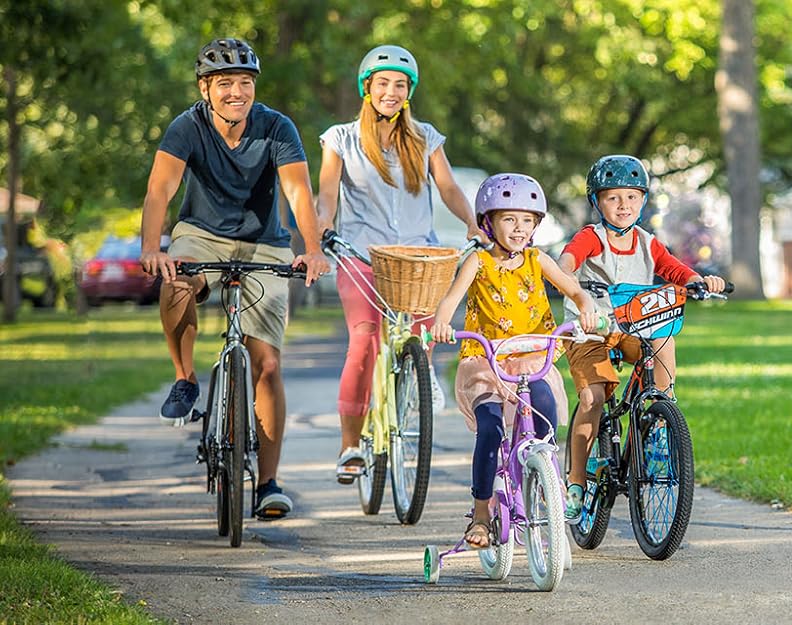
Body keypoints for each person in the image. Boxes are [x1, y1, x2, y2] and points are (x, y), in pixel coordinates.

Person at [138, 38, 330, 520]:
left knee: (266, 363)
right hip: (199, 235)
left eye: (244, 83)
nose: (236, 92)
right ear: (206, 88)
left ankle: (268, 482)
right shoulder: (187, 126)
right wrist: (150, 247)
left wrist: (311, 248)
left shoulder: (276, 127)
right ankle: (185, 380)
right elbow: (160, 189)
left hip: (263, 241)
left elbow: (298, 191)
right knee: (178, 283)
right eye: (225, 83)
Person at [316, 44, 480, 484]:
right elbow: (327, 193)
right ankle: (350, 445)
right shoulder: (341, 139)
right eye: (383, 83)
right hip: (361, 256)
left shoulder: (424, 136)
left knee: (422, 333)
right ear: (367, 87)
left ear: (409, 92)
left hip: (415, 257)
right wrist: (324, 228)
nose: (392, 91)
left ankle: (415, 384)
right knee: (365, 340)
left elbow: (446, 187)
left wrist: (471, 223)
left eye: (401, 85)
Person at [429, 173, 597, 548]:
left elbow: (574, 290)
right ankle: (482, 514)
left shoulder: (539, 260)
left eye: (527, 220)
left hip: (533, 357)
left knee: (545, 416)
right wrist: (441, 323)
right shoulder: (478, 262)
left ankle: (539, 484)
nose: (519, 229)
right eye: (509, 219)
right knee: (489, 429)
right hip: (487, 364)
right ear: (488, 222)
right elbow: (451, 299)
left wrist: (586, 308)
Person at [557, 154, 725, 519]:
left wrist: (700, 282)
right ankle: (575, 481)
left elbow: (673, 269)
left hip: (633, 327)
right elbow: (566, 263)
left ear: (643, 201)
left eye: (632, 197)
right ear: (597, 202)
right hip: (591, 332)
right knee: (592, 397)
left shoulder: (647, 242)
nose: (623, 205)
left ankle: (660, 416)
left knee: (665, 339)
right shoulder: (591, 238)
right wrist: (570, 283)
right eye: (613, 197)